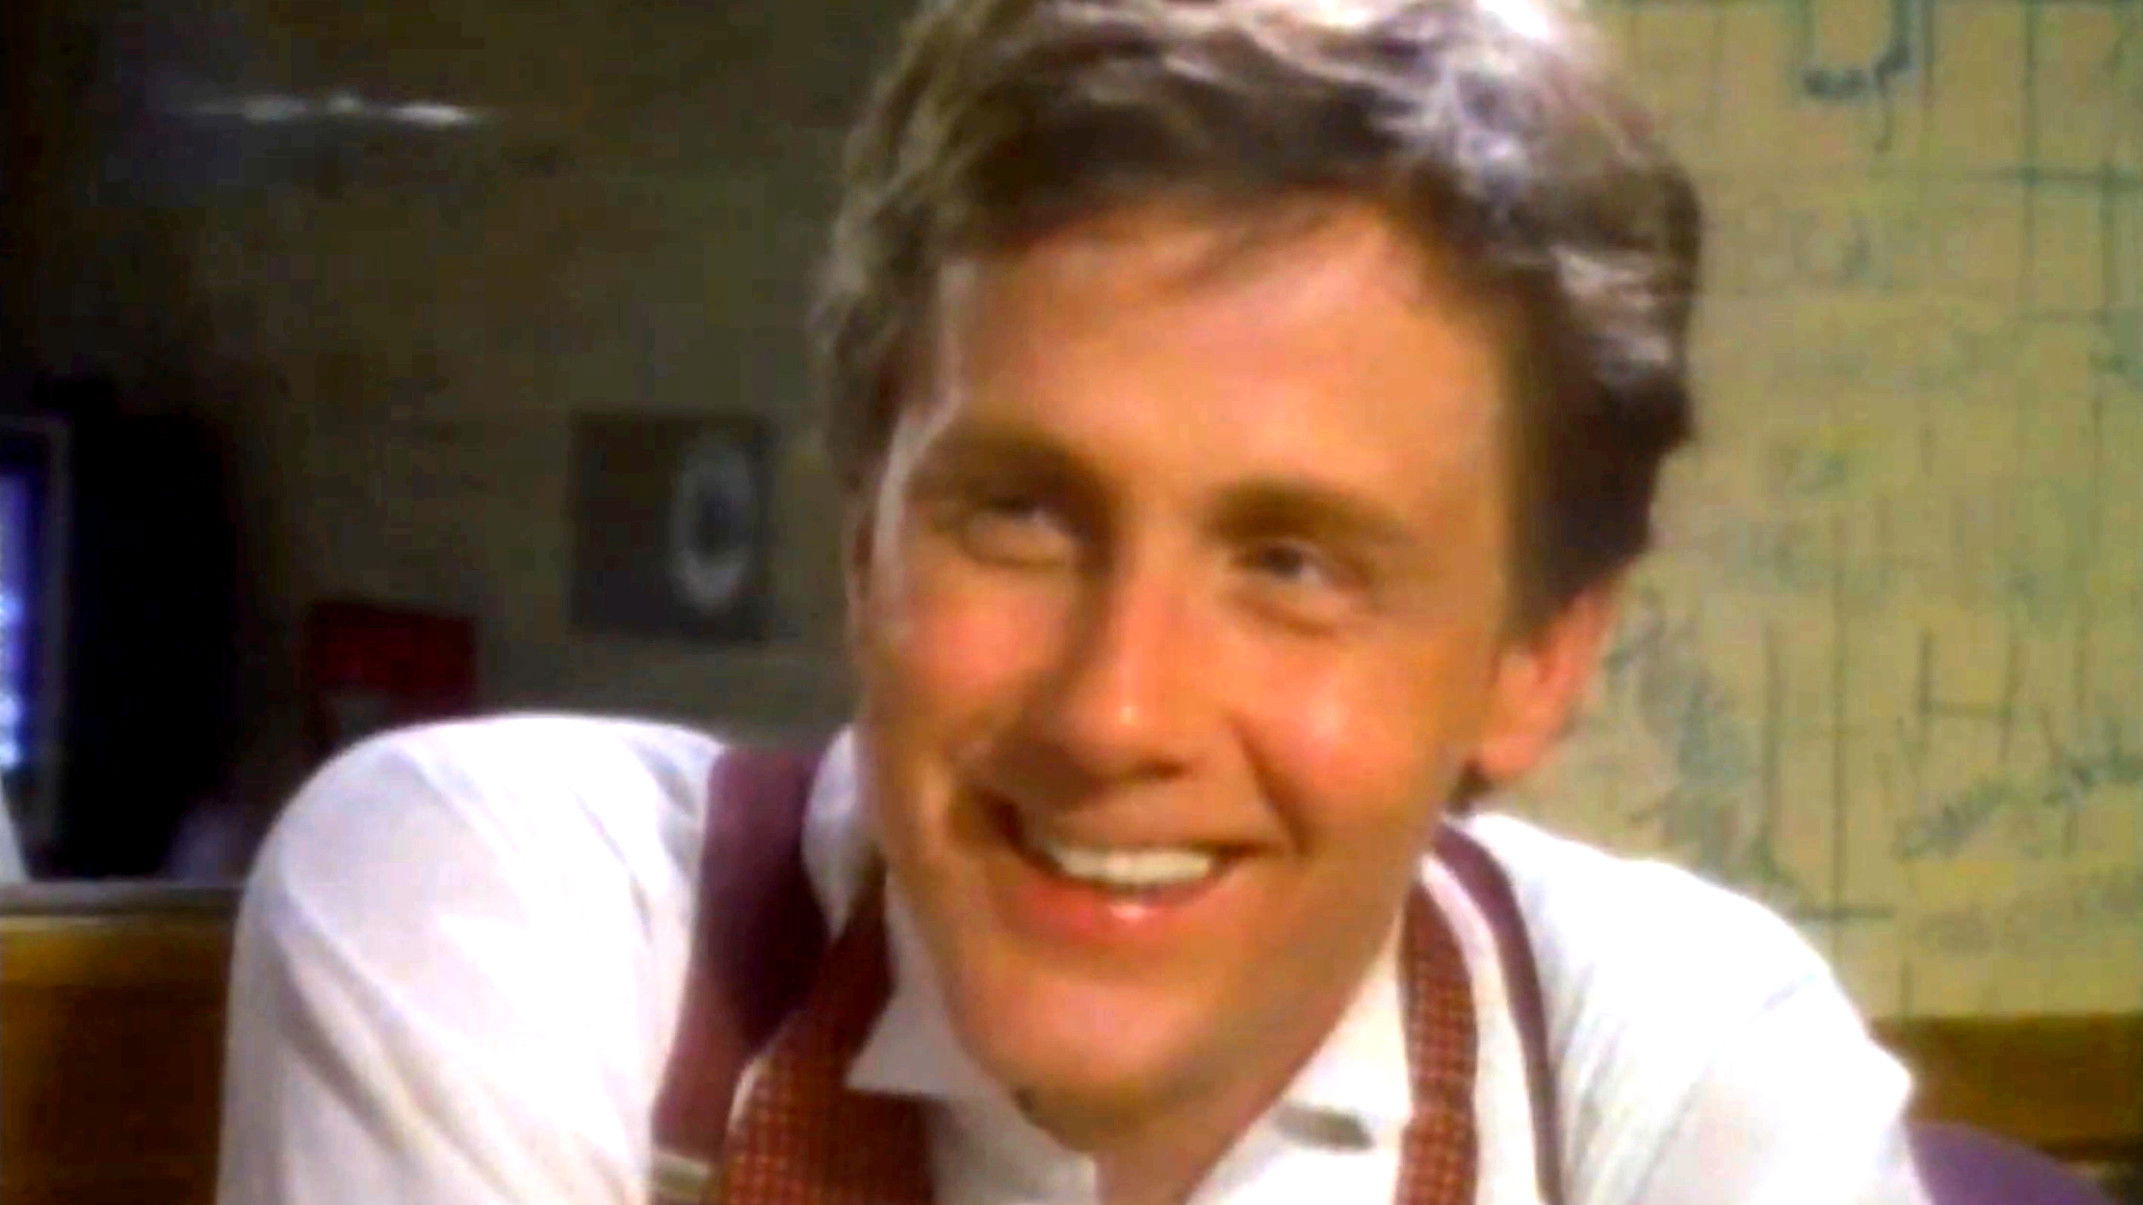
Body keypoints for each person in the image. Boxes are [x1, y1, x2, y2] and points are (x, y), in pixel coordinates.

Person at [216, 0, 1931, 1202]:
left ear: (1539, 655)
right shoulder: (526, 920)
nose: (1115, 711)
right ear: (864, 538)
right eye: (1022, 516)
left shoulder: (1673, 1072)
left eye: (1293, 563)